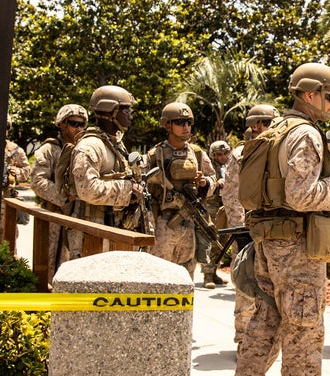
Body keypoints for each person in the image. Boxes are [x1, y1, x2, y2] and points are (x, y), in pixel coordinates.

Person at [224, 63, 330, 376]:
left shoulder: (274, 130)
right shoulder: (305, 134)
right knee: (305, 329)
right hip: (298, 248)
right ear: (310, 94)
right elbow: (301, 195)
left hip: (268, 242)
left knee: (264, 324)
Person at [222, 104, 279, 342]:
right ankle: (243, 336)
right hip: (249, 229)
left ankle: (265, 340)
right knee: (245, 282)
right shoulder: (240, 154)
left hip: (275, 231)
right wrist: (242, 229)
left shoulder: (280, 150)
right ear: (255, 126)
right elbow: (231, 194)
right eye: (267, 123)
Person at [143, 102, 218, 282]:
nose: (186, 127)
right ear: (167, 125)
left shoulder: (197, 153)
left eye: (188, 122)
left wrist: (204, 183)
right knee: (159, 276)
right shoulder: (155, 154)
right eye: (180, 122)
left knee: (185, 276)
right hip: (163, 224)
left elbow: (213, 178)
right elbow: (143, 186)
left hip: (189, 223)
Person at [71, 86, 145, 231]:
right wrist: (129, 189)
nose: (130, 117)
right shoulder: (90, 146)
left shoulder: (115, 144)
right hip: (91, 230)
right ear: (111, 112)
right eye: (126, 111)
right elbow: (87, 189)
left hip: (112, 226)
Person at [30, 104, 87, 282]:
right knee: (49, 262)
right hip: (54, 215)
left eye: (82, 124)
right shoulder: (49, 149)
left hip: (80, 216)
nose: (79, 128)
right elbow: (38, 181)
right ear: (62, 124)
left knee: (76, 263)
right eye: (74, 123)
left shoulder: (85, 149)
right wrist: (65, 198)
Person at [199, 139, 233, 287]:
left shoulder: (231, 165)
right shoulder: (209, 167)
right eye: (219, 154)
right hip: (211, 205)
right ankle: (207, 274)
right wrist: (216, 183)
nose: (223, 157)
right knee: (211, 238)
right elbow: (203, 184)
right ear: (213, 155)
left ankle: (214, 272)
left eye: (225, 153)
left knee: (223, 240)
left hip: (225, 205)